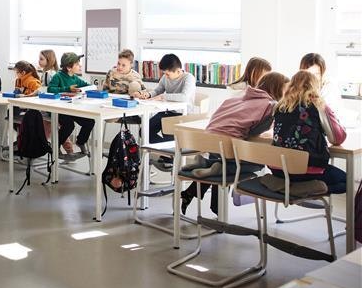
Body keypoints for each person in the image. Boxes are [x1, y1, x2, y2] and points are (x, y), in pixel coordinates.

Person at [181, 72, 290, 215]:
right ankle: (215, 185)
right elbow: (257, 131)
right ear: (276, 88)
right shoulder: (271, 105)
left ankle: (206, 165)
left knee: (221, 162)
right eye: (286, 89)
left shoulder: (237, 98)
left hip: (210, 142)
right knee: (257, 165)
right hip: (228, 145)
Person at [271, 70, 346, 194]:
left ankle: (290, 187)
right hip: (306, 170)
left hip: (279, 170)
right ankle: (307, 188)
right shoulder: (319, 106)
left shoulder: (279, 107)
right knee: (347, 181)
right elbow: (337, 138)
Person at [133, 53, 195, 144]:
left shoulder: (188, 78)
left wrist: (163, 96)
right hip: (167, 111)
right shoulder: (165, 77)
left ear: (178, 71)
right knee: (144, 131)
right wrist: (148, 95)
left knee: (168, 135)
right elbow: (158, 90)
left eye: (167, 74)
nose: (165, 76)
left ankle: (168, 150)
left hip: (182, 114)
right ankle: (166, 149)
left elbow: (184, 97)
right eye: (164, 73)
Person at [47, 53, 94, 158]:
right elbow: (50, 89)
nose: (80, 66)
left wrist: (92, 87)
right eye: (77, 64)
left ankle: (80, 142)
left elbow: (86, 85)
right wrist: (68, 89)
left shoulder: (75, 78)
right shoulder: (58, 76)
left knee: (90, 122)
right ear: (69, 67)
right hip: (59, 109)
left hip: (72, 109)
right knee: (69, 125)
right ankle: (56, 145)